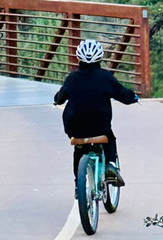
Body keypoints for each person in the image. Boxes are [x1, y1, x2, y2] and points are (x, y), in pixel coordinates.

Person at [53, 39, 138, 186]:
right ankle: (111, 165)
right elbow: (123, 95)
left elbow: (60, 98)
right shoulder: (105, 77)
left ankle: (77, 185)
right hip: (100, 127)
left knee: (79, 150)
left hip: (75, 127)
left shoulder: (72, 78)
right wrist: (133, 97)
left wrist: (57, 99)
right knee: (110, 138)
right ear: (100, 57)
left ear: (79, 58)